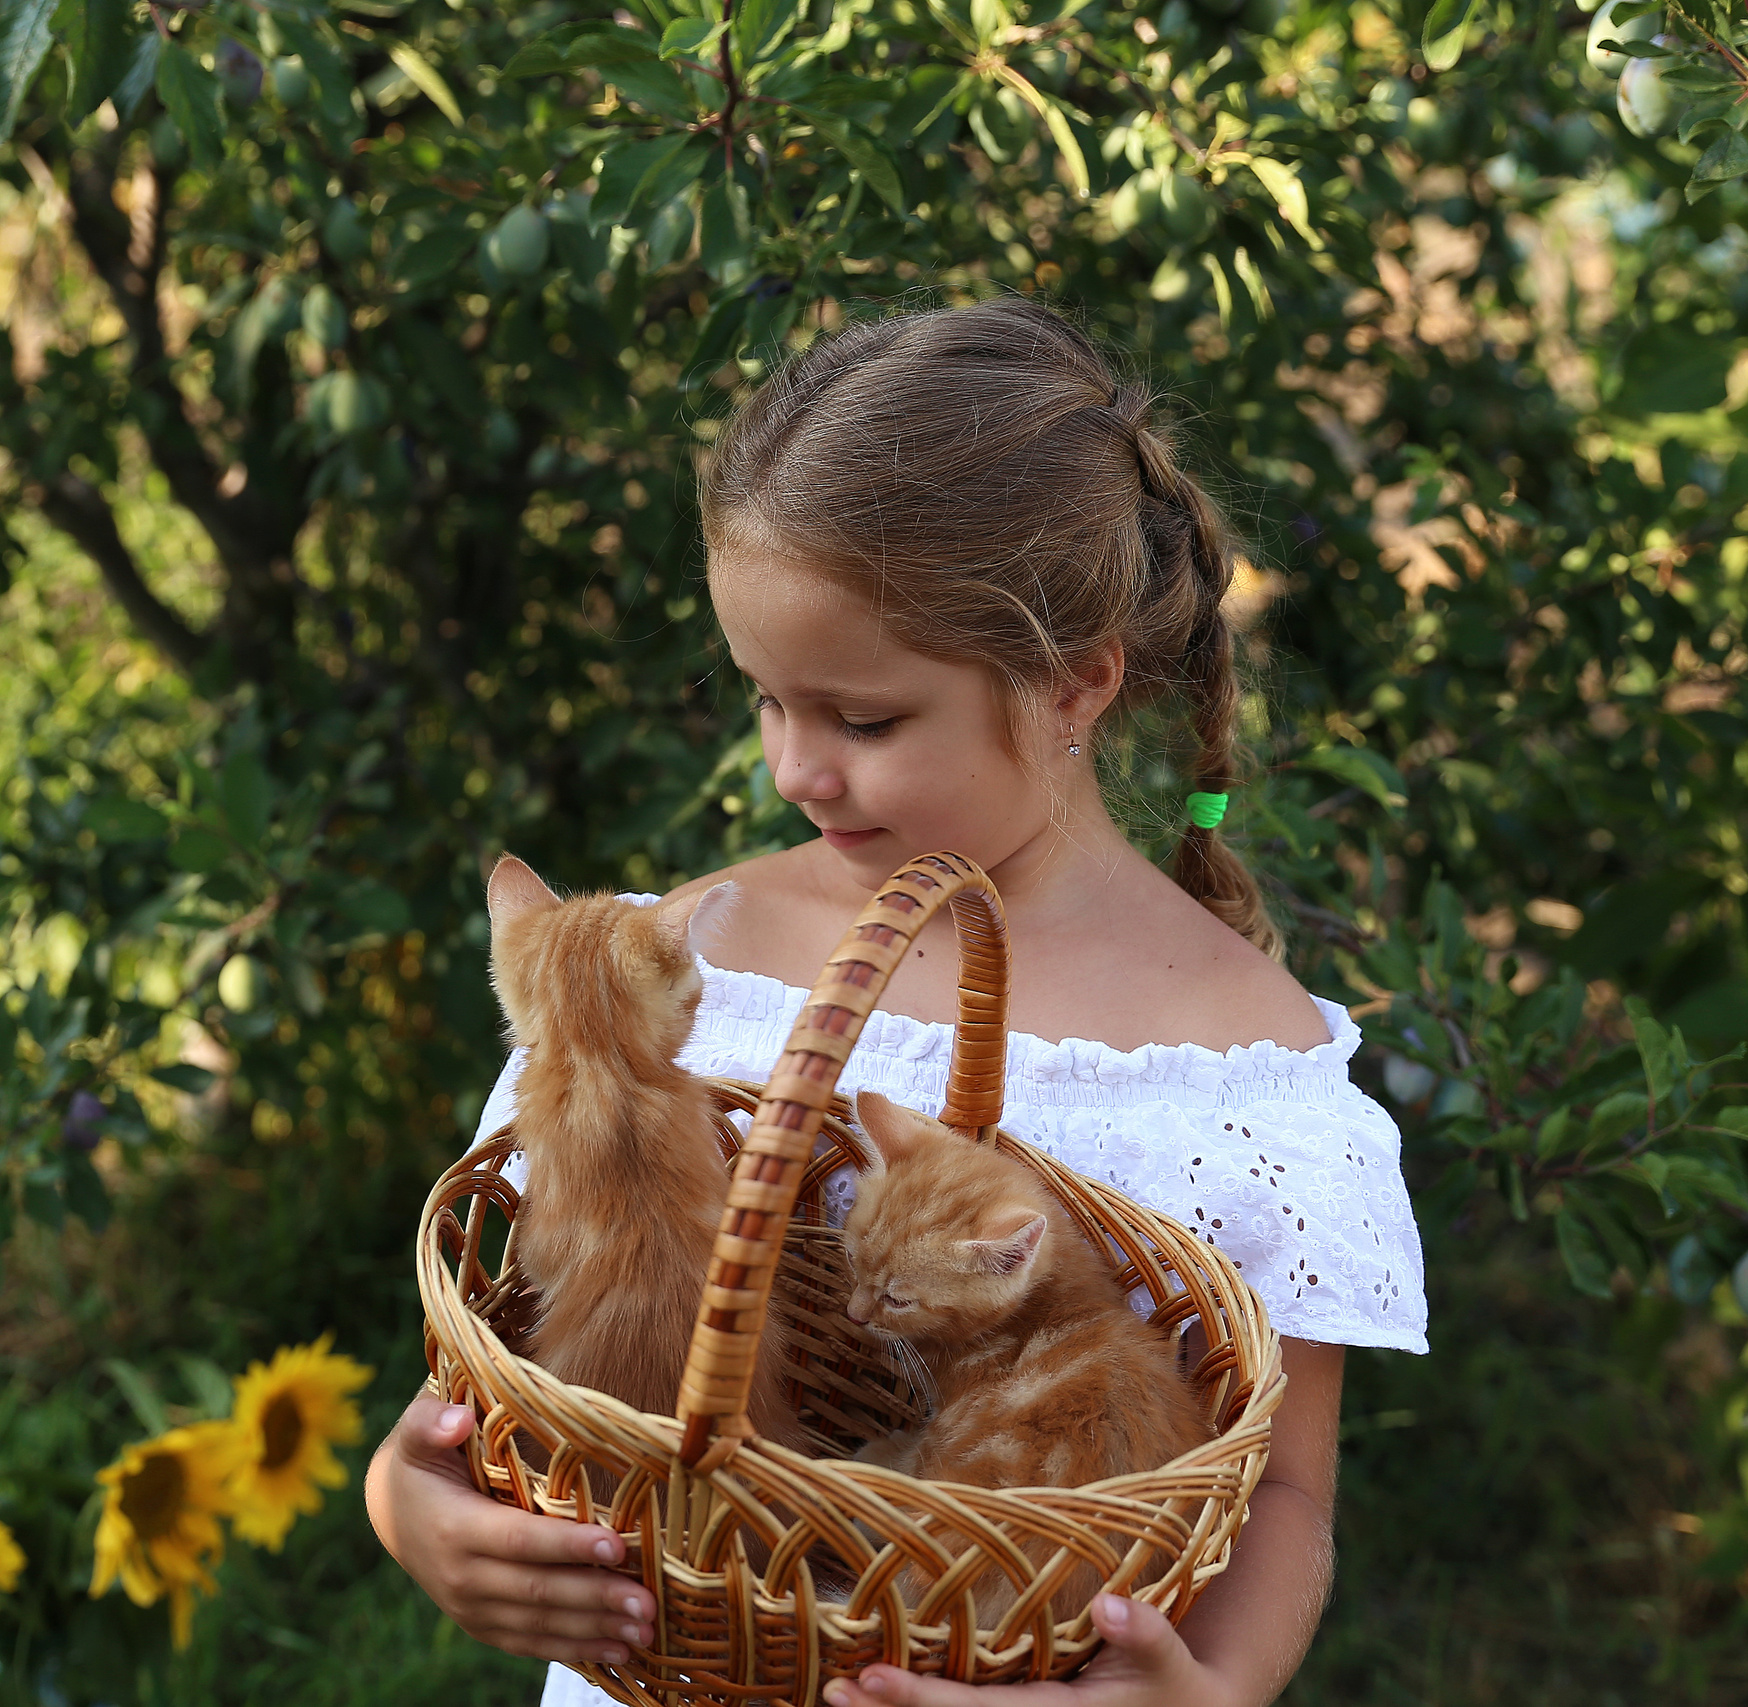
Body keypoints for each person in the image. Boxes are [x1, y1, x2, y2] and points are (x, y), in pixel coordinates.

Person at [366, 295, 1429, 1707]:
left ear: (1075, 686)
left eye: (863, 719)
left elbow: (1284, 1494)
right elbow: (530, 1318)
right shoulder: (688, 967)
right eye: (765, 700)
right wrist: (411, 1497)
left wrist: (1206, 1693)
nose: (795, 770)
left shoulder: (1245, 1072)